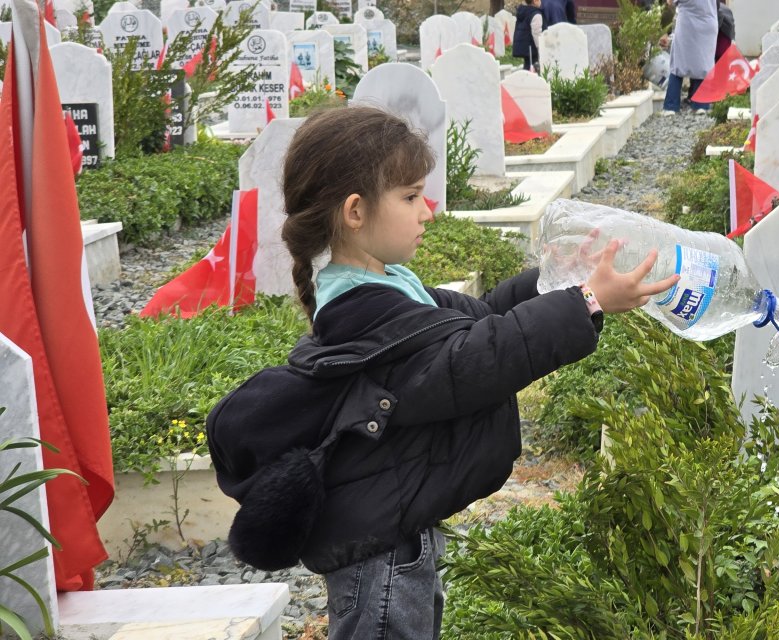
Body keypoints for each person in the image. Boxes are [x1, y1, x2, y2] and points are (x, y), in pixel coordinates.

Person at [204, 107, 679, 640]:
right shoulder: (360, 311)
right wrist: (586, 303)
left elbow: (480, 319)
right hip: (380, 558)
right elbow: (473, 361)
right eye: (410, 198)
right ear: (355, 211)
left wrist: (558, 280)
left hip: (396, 536)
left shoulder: (385, 282)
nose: (427, 212)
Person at [661, 0, 717, 114]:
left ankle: (671, 106)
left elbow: (670, 2)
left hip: (688, 24)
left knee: (678, 64)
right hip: (708, 22)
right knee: (703, 64)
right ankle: (700, 104)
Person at [512, 0, 543, 71]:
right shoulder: (536, 14)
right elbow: (537, 34)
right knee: (534, 70)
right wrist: (541, 49)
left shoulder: (523, 11)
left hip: (525, 48)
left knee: (527, 67)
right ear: (535, 1)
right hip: (533, 49)